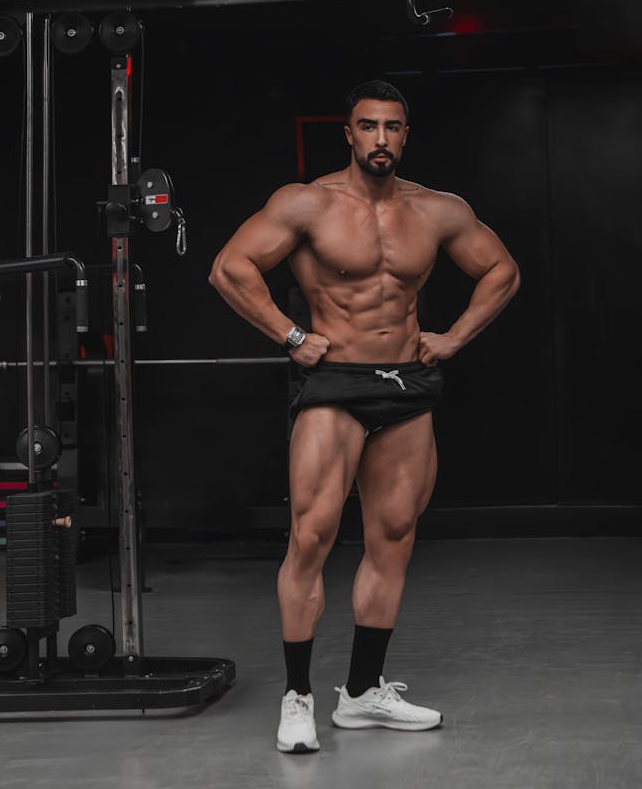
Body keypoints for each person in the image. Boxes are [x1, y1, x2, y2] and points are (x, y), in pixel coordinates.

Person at [209, 80, 520, 753]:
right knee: (312, 535)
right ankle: (297, 698)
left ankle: (360, 694)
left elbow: (500, 269)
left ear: (406, 136)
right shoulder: (307, 203)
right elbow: (230, 267)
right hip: (335, 382)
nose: (380, 138)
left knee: (394, 536)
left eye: (393, 127)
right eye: (368, 126)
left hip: (408, 383)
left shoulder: (438, 210)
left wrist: (455, 337)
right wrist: (291, 336)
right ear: (347, 134)